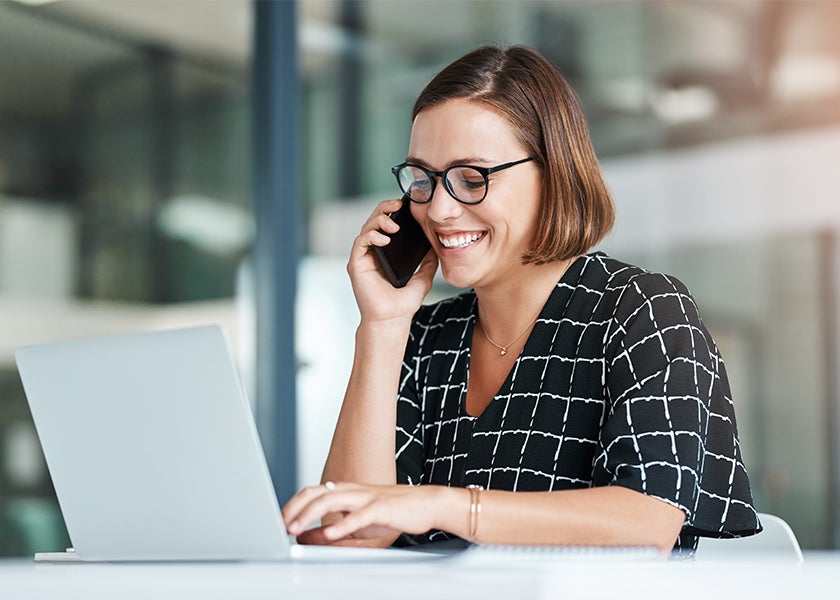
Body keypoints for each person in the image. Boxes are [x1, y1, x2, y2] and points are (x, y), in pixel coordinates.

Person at [282, 45, 761, 554]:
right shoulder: (424, 336)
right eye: (423, 180)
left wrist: (442, 505)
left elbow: (647, 521)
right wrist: (381, 325)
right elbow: (346, 541)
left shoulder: (643, 311)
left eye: (472, 178)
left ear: (553, 176)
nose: (439, 210)